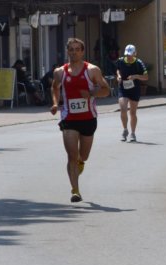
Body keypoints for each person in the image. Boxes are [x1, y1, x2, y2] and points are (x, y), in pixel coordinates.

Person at [50, 37, 110, 203]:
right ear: (67, 51)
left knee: (83, 156)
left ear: (82, 52)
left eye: (77, 49)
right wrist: (55, 103)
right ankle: (75, 190)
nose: (74, 52)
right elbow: (54, 87)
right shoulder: (60, 72)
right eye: (71, 49)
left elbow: (106, 90)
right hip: (69, 118)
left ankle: (81, 162)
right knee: (72, 155)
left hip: (88, 118)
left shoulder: (92, 70)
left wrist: (91, 93)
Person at [116, 44, 148, 142]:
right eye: (127, 54)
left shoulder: (139, 63)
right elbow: (118, 70)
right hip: (123, 89)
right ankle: (125, 130)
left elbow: (146, 77)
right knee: (123, 108)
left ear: (135, 53)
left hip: (134, 90)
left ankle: (133, 133)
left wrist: (136, 76)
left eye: (130, 54)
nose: (128, 56)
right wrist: (118, 76)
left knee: (133, 113)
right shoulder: (121, 61)